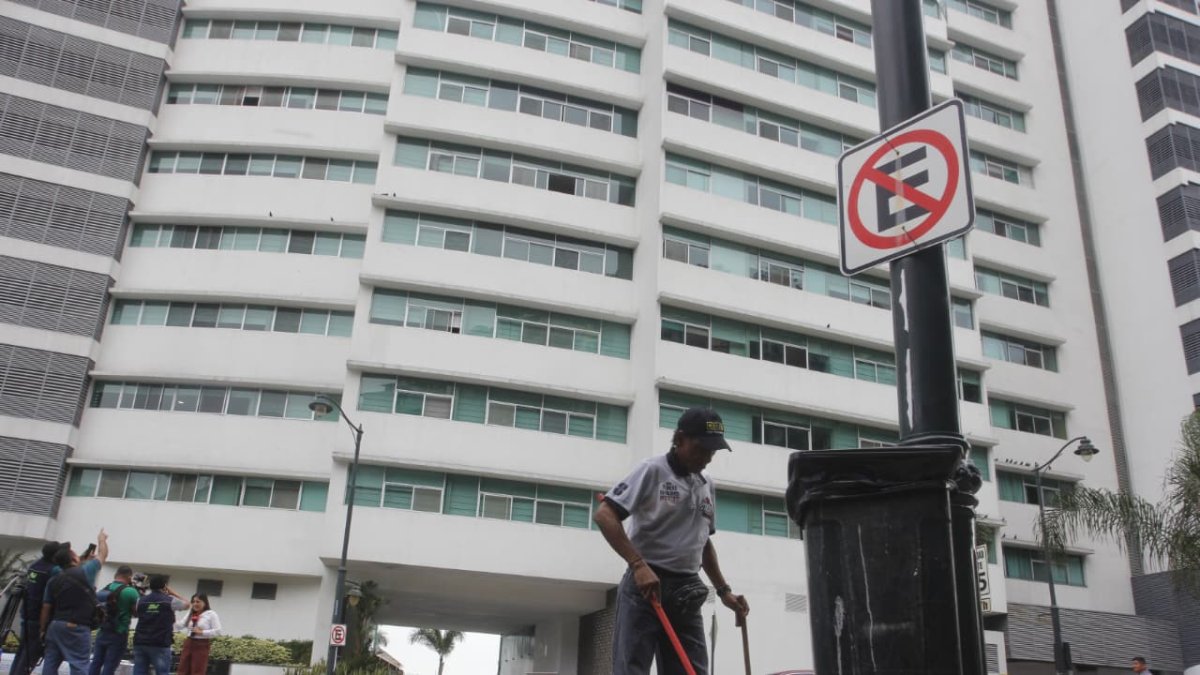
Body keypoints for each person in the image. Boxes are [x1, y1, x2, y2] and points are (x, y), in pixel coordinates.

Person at [594, 407, 750, 675]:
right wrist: (638, 565)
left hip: (686, 590)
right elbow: (605, 514)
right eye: (701, 449)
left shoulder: (705, 483)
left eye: (713, 452)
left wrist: (724, 592)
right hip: (646, 586)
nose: (707, 458)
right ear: (679, 439)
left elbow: (703, 542)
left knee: (691, 669)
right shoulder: (652, 471)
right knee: (631, 668)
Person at [40, 531, 108, 675]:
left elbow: (46, 607)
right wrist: (101, 540)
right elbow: (102, 555)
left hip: (55, 625)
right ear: (73, 558)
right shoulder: (86, 572)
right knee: (79, 665)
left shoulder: (53, 580)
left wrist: (42, 629)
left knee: (50, 664)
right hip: (77, 626)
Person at [7, 541, 60, 675]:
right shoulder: (52, 570)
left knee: (22, 651)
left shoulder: (35, 565)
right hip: (39, 617)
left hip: (27, 612)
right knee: (30, 654)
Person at [89, 565, 140, 675]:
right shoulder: (131, 592)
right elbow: (137, 612)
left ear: (116, 575)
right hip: (119, 632)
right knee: (110, 664)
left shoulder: (104, 589)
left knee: (96, 662)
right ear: (129, 577)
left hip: (102, 630)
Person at [131, 576, 187, 675]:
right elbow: (187, 604)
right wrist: (172, 593)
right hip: (160, 642)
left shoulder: (140, 601)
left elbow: (136, 613)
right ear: (164, 587)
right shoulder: (169, 601)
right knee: (162, 672)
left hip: (140, 642)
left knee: (138, 672)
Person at [175, 593, 221, 675]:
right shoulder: (191, 612)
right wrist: (171, 617)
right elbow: (180, 625)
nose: (195, 604)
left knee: (198, 670)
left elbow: (217, 631)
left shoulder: (211, 614)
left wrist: (202, 632)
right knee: (183, 669)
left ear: (205, 602)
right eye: (193, 602)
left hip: (201, 644)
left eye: (198, 601)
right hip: (189, 643)